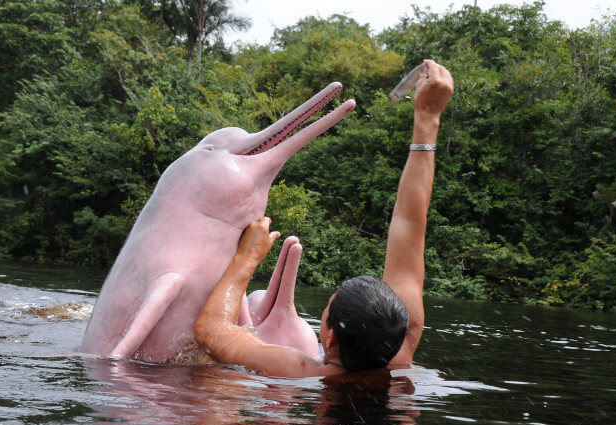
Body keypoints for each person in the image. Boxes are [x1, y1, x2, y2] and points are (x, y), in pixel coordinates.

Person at [194, 60, 454, 377]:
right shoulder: (400, 350)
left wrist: (247, 258)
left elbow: (210, 329)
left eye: (328, 308)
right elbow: (410, 224)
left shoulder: (301, 371)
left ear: (328, 339)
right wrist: (427, 119)